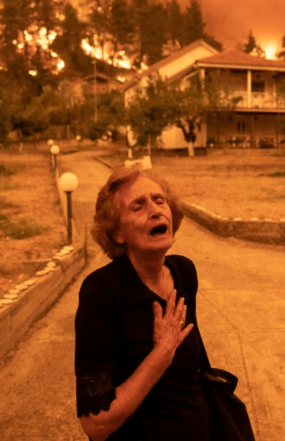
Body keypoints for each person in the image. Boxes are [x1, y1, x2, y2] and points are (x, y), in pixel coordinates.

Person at [75, 165, 210, 441]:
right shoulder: (100, 291)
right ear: (117, 233)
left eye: (159, 201)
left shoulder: (184, 272)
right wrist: (160, 356)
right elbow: (95, 424)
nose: (155, 210)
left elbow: (190, 376)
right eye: (138, 206)